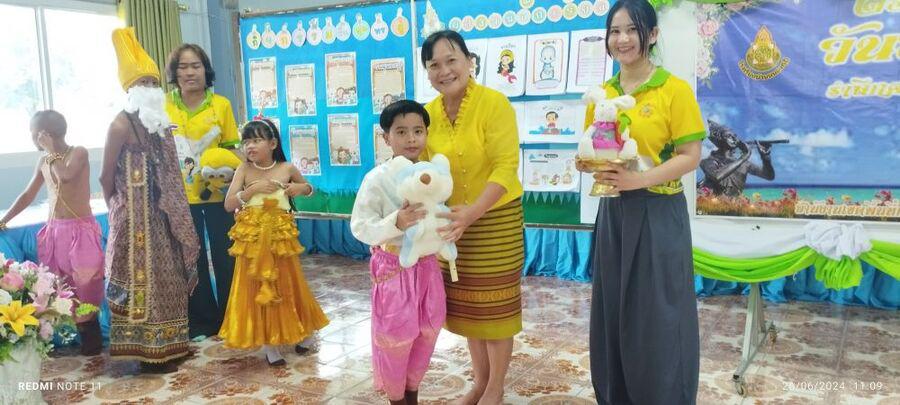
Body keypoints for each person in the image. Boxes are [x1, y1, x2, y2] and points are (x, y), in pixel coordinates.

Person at [578, 1, 705, 403]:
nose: (622, 39)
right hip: (614, 212)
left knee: (660, 314)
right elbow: (595, 148)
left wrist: (639, 180)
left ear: (652, 34)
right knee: (613, 310)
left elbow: (690, 156)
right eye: (615, 31)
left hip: (659, 213)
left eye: (632, 29)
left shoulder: (673, 90)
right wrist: (589, 164)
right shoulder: (603, 94)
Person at [420, 30, 524, 405]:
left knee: (495, 308)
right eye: (434, 65)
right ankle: (479, 382)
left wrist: (474, 212)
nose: (445, 71)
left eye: (452, 60)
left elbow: (506, 166)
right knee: (469, 309)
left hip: (496, 220)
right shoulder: (427, 115)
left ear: (469, 61)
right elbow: (423, 170)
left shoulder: (494, 104)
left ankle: (495, 387)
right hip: (452, 225)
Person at [101, 28, 200, 373]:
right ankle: (148, 355)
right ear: (130, 89)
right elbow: (105, 176)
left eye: (153, 82)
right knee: (144, 286)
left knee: (170, 280)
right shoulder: (118, 125)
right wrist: (118, 211)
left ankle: (174, 345)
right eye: (143, 82)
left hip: (165, 218)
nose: (150, 88)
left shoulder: (159, 122)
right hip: (134, 224)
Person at [350, 100, 446, 405]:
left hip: (427, 266)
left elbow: (440, 214)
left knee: (428, 329)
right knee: (396, 335)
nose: (411, 139)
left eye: (418, 131)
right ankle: (396, 398)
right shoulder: (376, 179)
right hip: (393, 267)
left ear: (427, 134)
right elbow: (360, 226)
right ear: (386, 137)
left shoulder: (433, 175)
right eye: (401, 132)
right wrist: (396, 222)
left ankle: (412, 392)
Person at [218, 119, 329, 366]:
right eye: (246, 141)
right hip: (253, 242)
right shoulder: (243, 170)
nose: (250, 146)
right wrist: (250, 192)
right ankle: (270, 344)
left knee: (288, 284)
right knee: (257, 289)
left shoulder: (286, 167)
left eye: (256, 140)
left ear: (272, 143)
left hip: (280, 240)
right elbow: (228, 204)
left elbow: (309, 188)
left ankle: (304, 332)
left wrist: (298, 188)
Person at [0, 110, 104, 356]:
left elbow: (65, 176)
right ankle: (69, 338)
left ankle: (92, 341)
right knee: (61, 286)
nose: (32, 138)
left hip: (80, 231)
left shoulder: (78, 152)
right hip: (56, 231)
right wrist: (4, 220)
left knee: (86, 284)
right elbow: (28, 194)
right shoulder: (44, 160)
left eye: (34, 133)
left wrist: (51, 151)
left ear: (44, 134)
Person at [164, 44, 240, 340]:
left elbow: (232, 149)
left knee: (226, 254)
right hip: (180, 198)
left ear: (205, 70)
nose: (189, 72)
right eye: (182, 67)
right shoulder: (163, 106)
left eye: (195, 66)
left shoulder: (220, 105)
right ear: (174, 73)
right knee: (191, 259)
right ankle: (202, 321)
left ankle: (231, 317)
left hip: (219, 195)